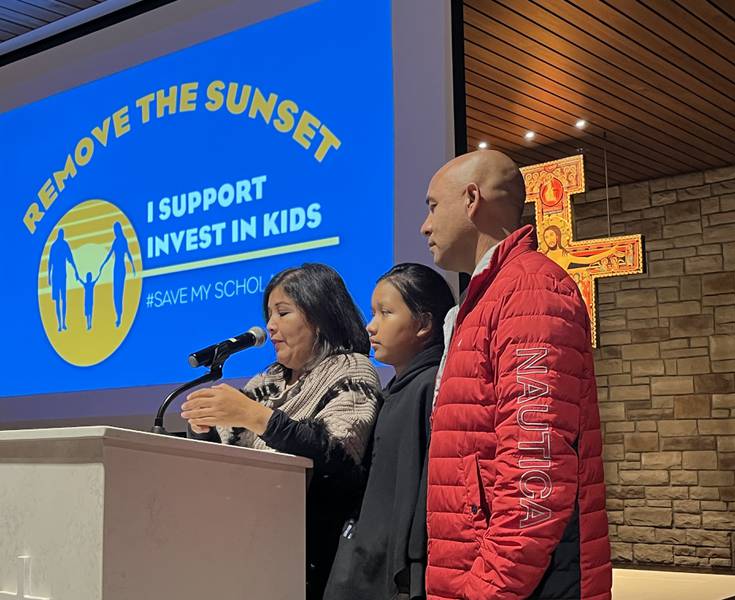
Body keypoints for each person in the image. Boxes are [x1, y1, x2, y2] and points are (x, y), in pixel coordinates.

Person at [420, 150, 611, 600]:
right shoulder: (490, 296)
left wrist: (486, 590)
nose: (425, 226)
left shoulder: (530, 290)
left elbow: (535, 472)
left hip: (521, 586)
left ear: (471, 199)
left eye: (431, 206)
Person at [179, 263, 382, 600]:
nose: (270, 326)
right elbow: (229, 463)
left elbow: (337, 453)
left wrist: (257, 417)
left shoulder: (352, 370)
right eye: (269, 314)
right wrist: (205, 432)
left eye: (283, 312)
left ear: (321, 315)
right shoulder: (268, 381)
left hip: (310, 558)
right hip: (247, 546)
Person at [324, 263, 455, 600]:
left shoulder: (429, 388)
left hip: (393, 576)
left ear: (424, 324)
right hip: (369, 564)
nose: (371, 326)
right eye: (372, 313)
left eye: (385, 313)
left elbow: (418, 492)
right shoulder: (398, 389)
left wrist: (407, 571)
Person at [99, 221, 136, 327]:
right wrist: (103, 264)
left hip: (121, 268)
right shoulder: (115, 241)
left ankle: (120, 317)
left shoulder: (123, 240)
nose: (114, 232)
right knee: (115, 294)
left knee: (120, 293)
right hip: (116, 268)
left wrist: (133, 267)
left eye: (115, 230)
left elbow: (128, 253)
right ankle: (117, 315)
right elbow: (110, 253)